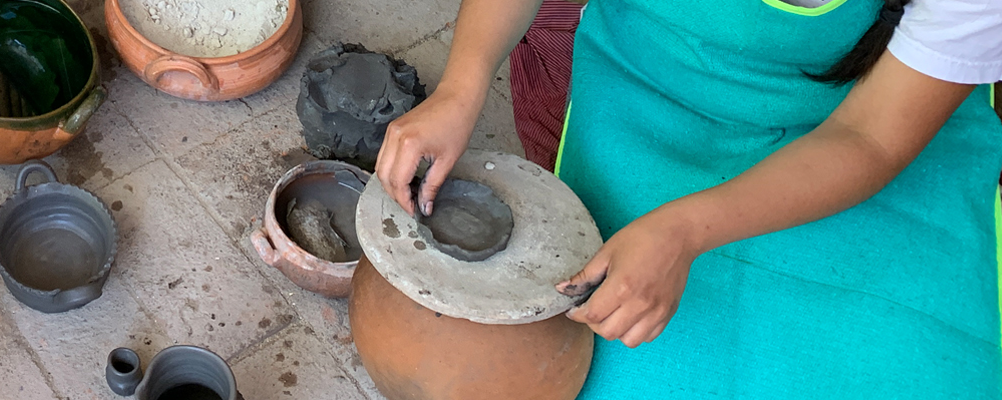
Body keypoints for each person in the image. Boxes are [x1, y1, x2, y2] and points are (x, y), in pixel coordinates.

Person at [377, 0, 999, 396]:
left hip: (858, 133)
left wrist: (685, 232)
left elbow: (870, 138)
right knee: (580, 359)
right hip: (652, 86)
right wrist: (462, 85)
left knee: (921, 367)